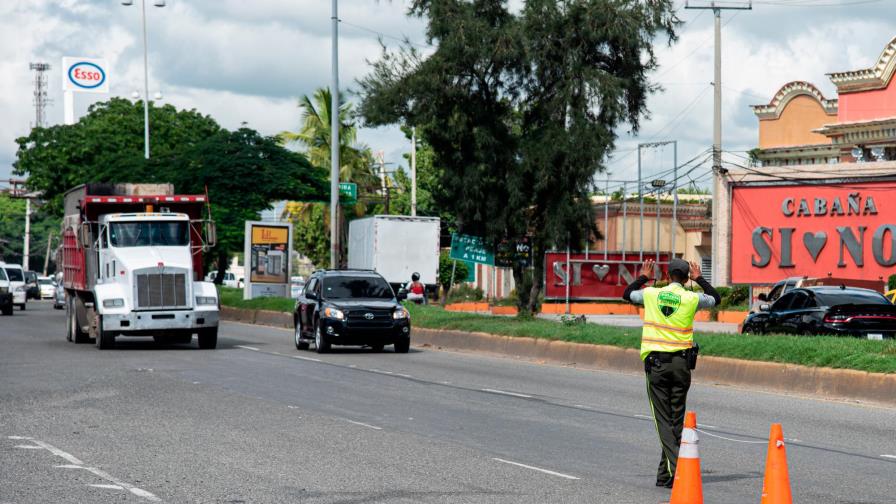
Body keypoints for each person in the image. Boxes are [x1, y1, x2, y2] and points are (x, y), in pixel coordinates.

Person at [622, 258, 720, 489]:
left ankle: (679, 470)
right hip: (681, 366)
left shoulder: (652, 294)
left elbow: (628, 294)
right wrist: (700, 279)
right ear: (686, 278)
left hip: (657, 365)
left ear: (666, 276)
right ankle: (664, 476)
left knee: (662, 421)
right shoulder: (691, 298)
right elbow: (716, 298)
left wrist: (644, 276)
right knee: (675, 420)